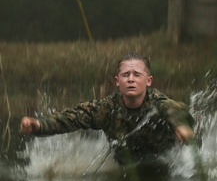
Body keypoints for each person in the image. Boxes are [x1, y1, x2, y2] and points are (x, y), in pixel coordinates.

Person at [19, 53, 195, 165]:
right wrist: (38, 125)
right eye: (126, 75)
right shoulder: (107, 109)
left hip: (165, 163)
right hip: (129, 168)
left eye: (136, 75)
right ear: (118, 81)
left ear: (148, 81)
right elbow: (71, 118)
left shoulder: (157, 102)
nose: (131, 79)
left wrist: (181, 127)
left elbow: (173, 108)